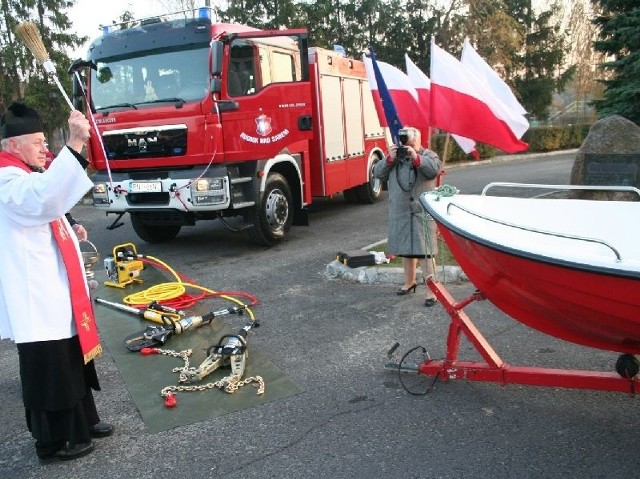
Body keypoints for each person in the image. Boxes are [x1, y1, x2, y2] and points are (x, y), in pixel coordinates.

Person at [0, 102, 113, 464]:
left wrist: (70, 226)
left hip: (54, 290)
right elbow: (42, 199)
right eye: (36, 142)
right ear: (12, 146)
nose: (44, 149)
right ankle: (54, 442)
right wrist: (76, 144)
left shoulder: (23, 172)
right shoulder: (6, 179)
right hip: (35, 296)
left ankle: (82, 422)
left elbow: (48, 209)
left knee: (69, 360)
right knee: (49, 370)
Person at [373, 126, 443, 307]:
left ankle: (432, 290)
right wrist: (389, 159)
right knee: (406, 248)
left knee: (424, 251)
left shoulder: (429, 155)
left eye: (411, 143)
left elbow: (434, 170)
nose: (407, 147)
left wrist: (416, 157)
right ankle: (409, 282)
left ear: (418, 141)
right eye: (405, 143)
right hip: (401, 211)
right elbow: (377, 173)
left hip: (421, 210)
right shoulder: (395, 158)